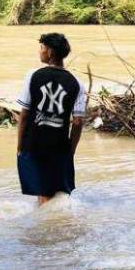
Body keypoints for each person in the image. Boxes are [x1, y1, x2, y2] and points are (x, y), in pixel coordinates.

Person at [15, 33, 87, 205]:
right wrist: (71, 150)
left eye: (42, 48)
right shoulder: (77, 82)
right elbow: (77, 122)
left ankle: (46, 228)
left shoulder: (33, 75)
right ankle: (55, 225)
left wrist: (20, 146)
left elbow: (24, 115)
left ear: (50, 52)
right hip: (59, 145)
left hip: (35, 143)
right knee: (57, 190)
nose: (40, 52)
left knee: (43, 192)